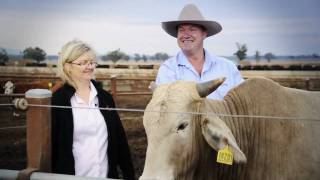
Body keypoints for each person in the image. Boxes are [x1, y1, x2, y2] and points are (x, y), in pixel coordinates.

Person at [51, 40, 135, 179]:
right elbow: (52, 146)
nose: (89, 67)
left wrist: (129, 174)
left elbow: (120, 139)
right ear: (67, 66)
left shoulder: (105, 98)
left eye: (91, 62)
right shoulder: (58, 100)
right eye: (82, 63)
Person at [156, 4, 244, 99]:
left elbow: (243, 101)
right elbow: (165, 106)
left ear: (204, 34)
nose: (186, 35)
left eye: (192, 29)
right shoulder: (168, 69)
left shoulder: (228, 68)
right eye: (181, 30)